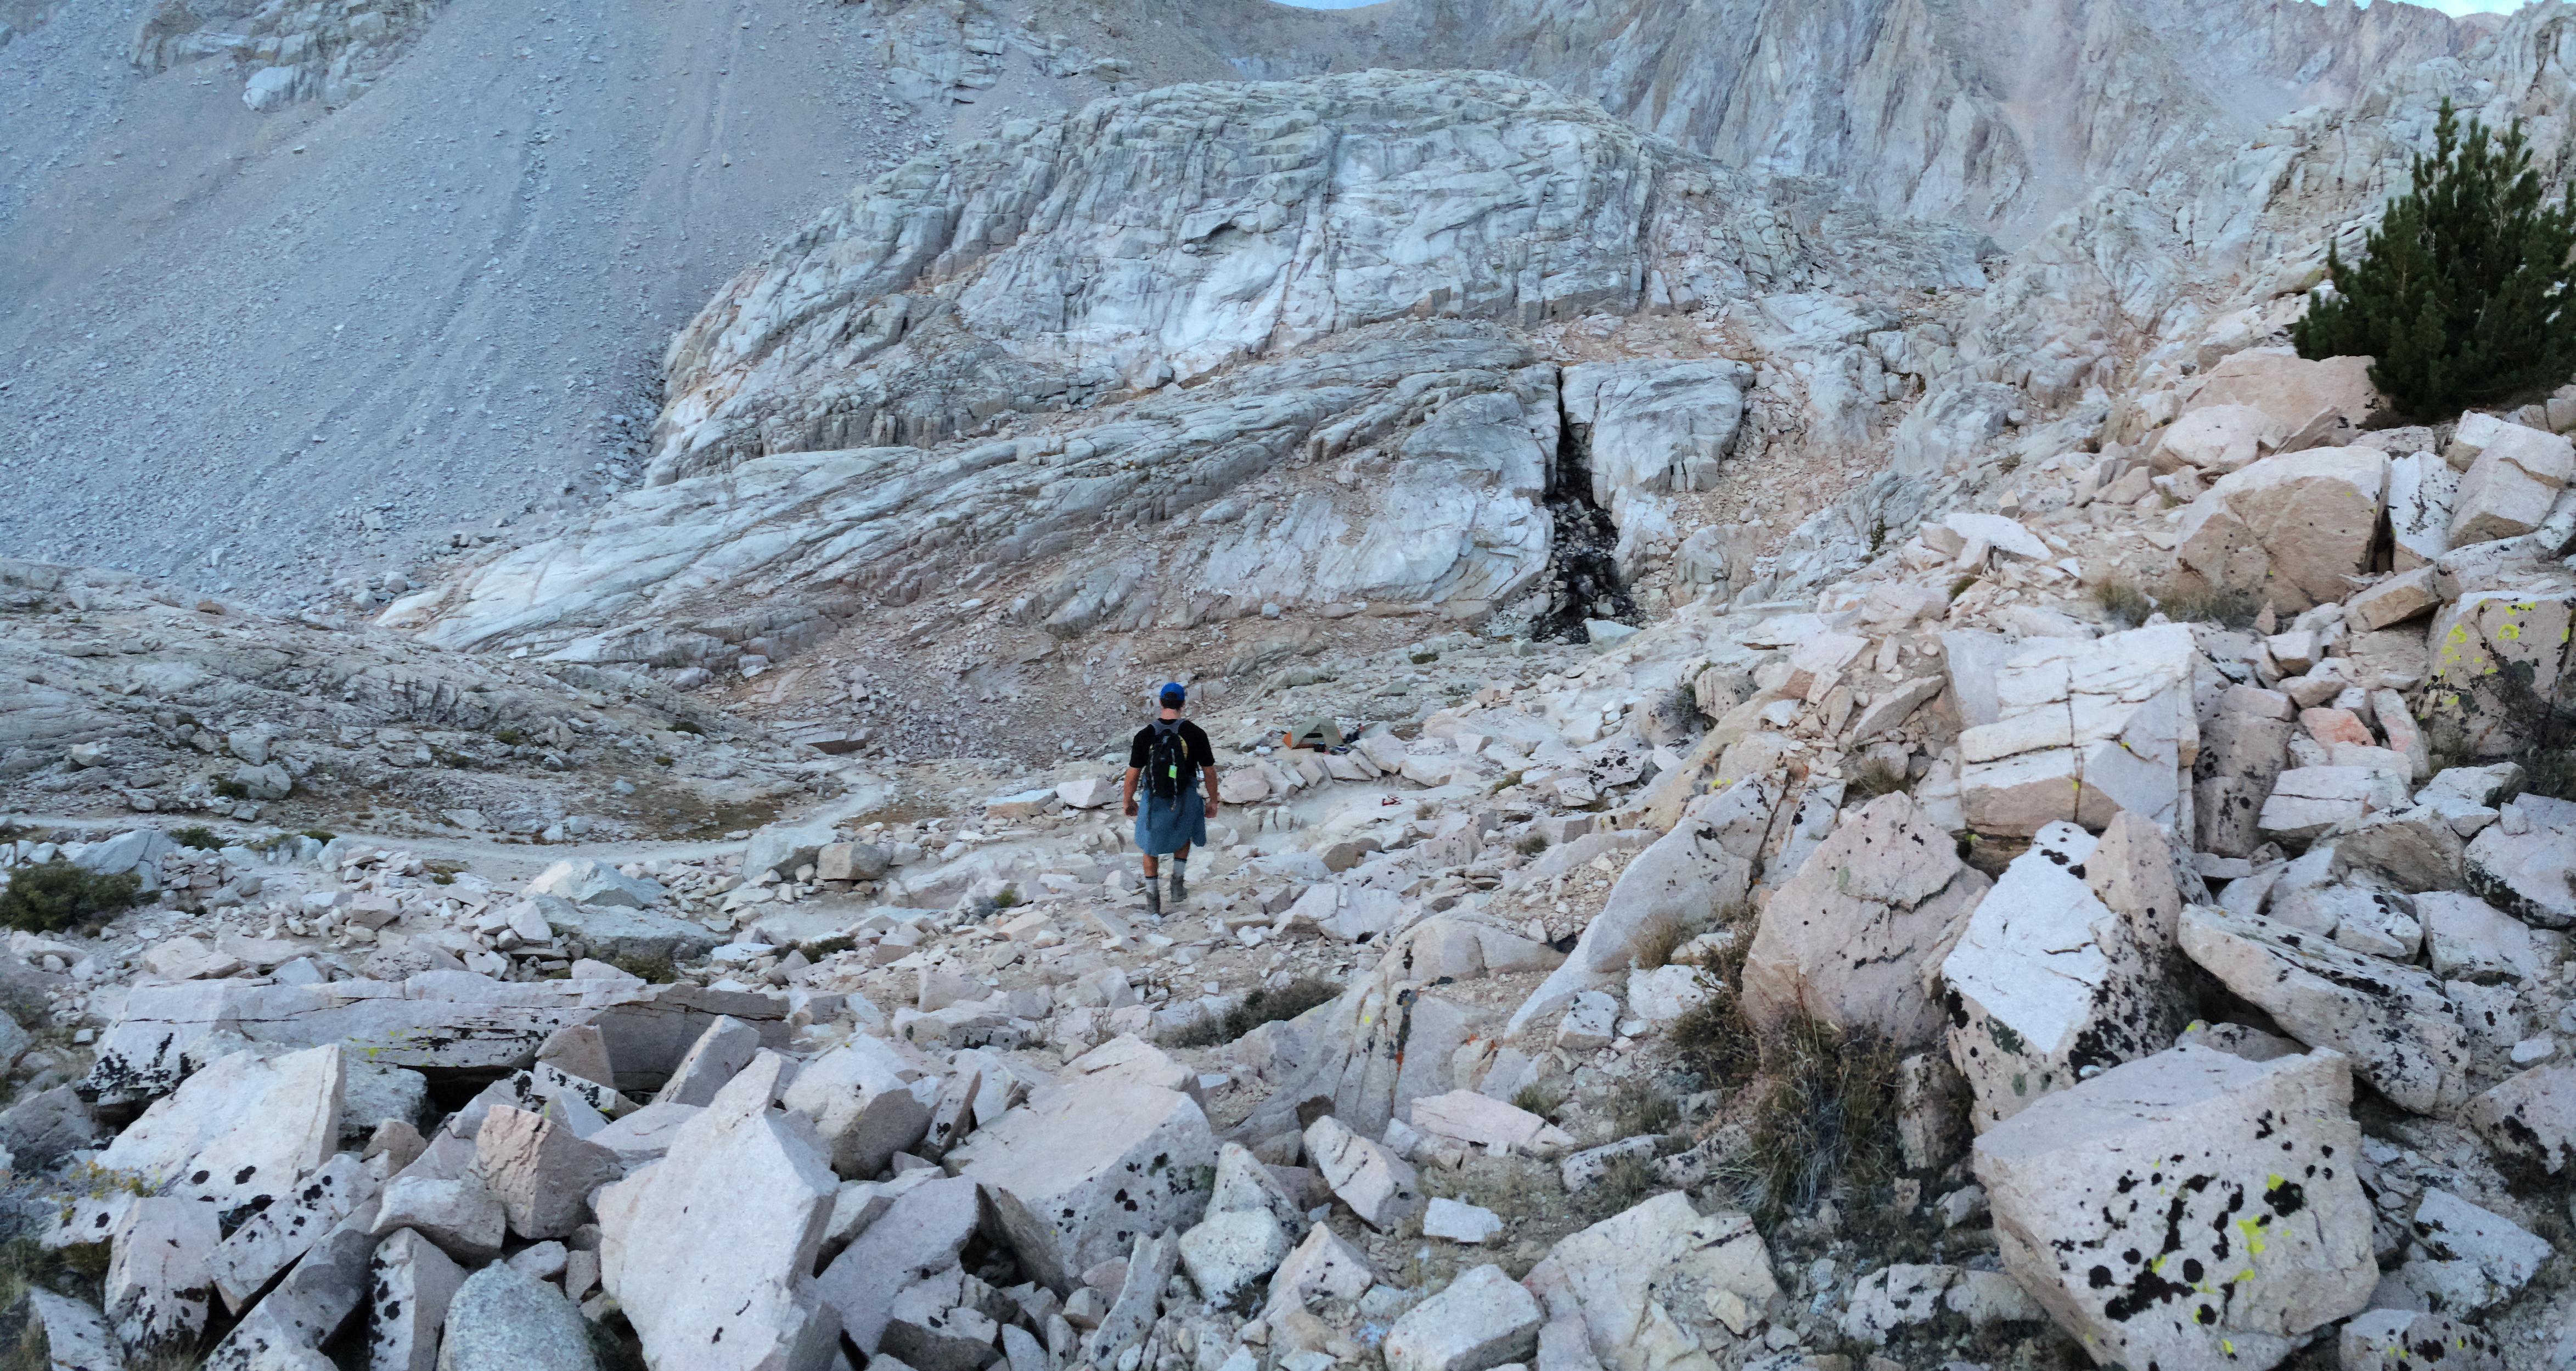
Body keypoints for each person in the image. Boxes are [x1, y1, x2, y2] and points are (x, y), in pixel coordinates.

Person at [1122, 681, 1219, 915]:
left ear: (1160, 702)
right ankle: (1177, 885)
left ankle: (1153, 898)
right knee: (1183, 833)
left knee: (1149, 845)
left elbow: (1133, 774)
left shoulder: (1145, 735)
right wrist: (1213, 800)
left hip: (1154, 796)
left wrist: (1127, 801)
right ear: (1183, 703)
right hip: (1184, 795)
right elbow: (1209, 771)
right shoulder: (1196, 733)